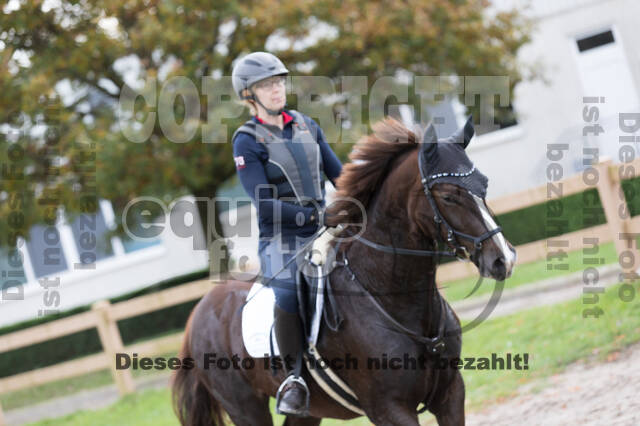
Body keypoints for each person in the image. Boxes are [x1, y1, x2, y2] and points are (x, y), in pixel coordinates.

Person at [231, 51, 343, 417]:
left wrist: (358, 202)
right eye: (266, 85)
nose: (276, 90)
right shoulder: (246, 140)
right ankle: (294, 378)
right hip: (281, 238)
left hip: (327, 225)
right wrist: (316, 214)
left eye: (278, 82)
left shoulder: (308, 125)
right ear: (250, 95)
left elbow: (338, 175)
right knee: (290, 290)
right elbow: (264, 205)